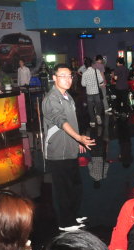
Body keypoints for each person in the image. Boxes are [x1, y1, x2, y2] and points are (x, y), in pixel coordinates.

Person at [42, 63, 95, 231]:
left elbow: (73, 120)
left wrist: (77, 141)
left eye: (70, 76)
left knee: (75, 186)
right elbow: (61, 121)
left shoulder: (67, 96)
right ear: (54, 78)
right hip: (58, 150)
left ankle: (72, 215)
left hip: (70, 148)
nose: (68, 79)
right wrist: (79, 137)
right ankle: (65, 223)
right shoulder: (51, 99)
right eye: (63, 76)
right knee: (63, 189)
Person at [81, 57, 106, 127]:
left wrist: (88, 83)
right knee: (98, 105)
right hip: (96, 92)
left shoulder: (84, 73)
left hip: (89, 93)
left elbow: (83, 84)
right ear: (92, 64)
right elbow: (101, 80)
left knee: (90, 107)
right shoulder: (96, 71)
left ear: (85, 65)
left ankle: (92, 121)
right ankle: (98, 115)